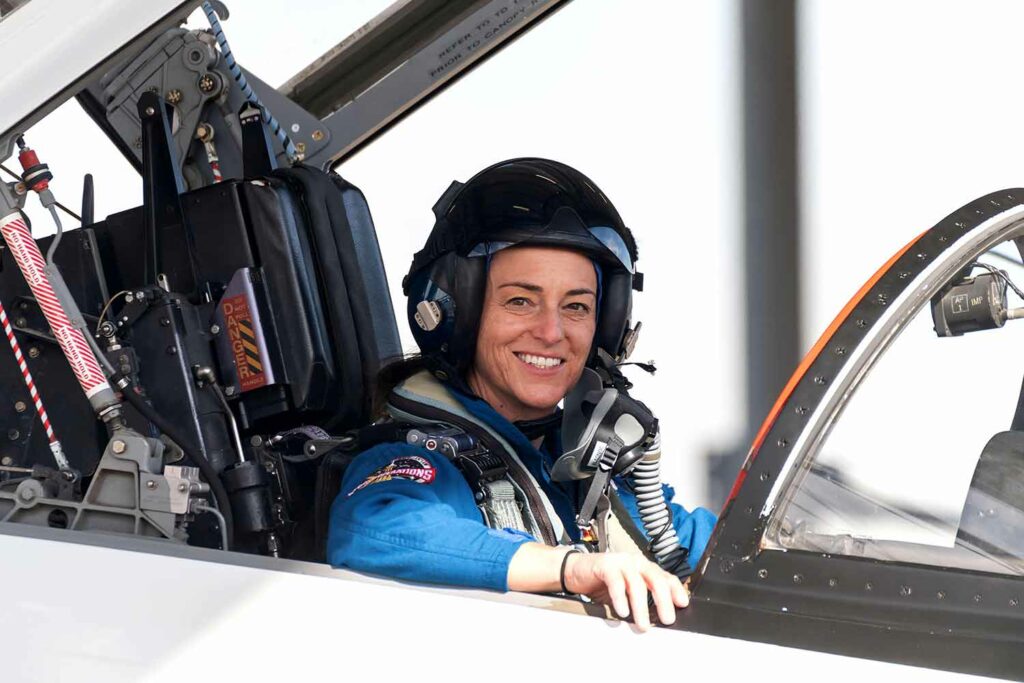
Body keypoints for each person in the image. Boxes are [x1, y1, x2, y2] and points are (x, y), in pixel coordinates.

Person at [328, 158, 716, 630]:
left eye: (576, 306)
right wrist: (575, 569)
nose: (551, 332)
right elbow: (374, 527)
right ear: (459, 310)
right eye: (520, 301)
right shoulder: (423, 460)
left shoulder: (581, 470)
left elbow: (720, 549)